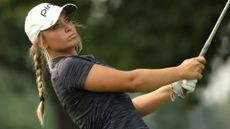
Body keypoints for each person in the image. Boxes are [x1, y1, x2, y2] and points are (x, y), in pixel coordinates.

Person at [24, 2, 206, 129]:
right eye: (55, 26)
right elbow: (132, 81)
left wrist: (173, 88)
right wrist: (180, 71)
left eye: (67, 20)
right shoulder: (68, 68)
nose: (69, 27)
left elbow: (128, 109)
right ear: (41, 42)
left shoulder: (75, 65)